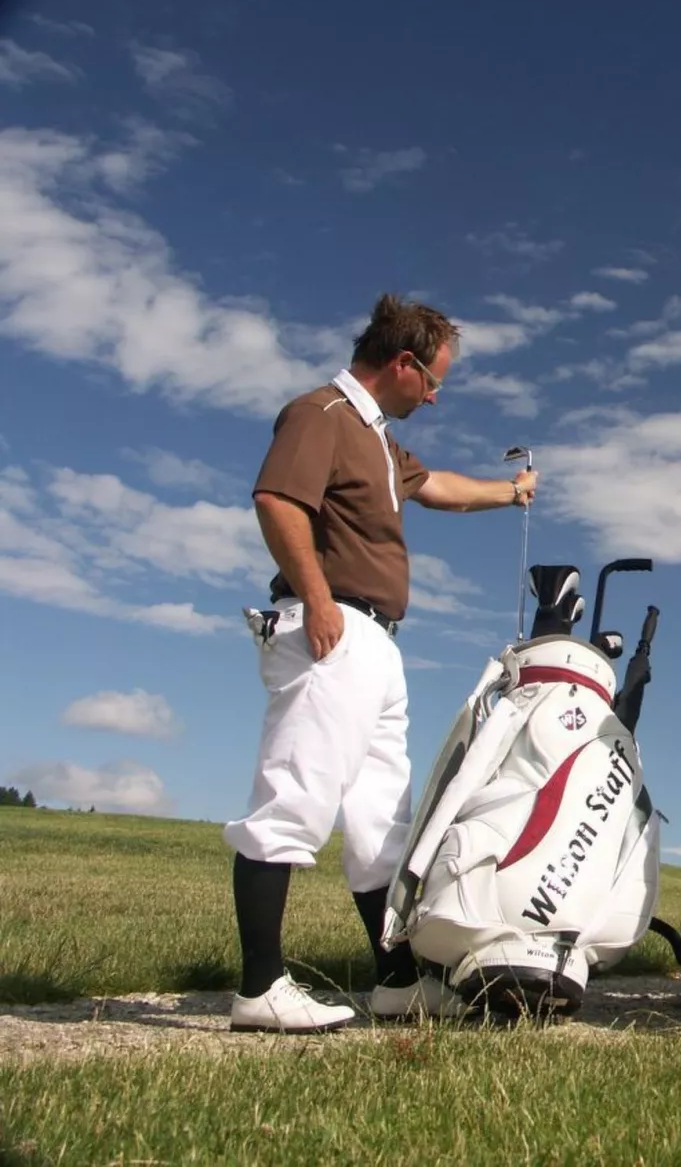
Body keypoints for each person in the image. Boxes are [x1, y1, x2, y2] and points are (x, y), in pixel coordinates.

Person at [223, 293, 538, 1033]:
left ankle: (396, 982)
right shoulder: (321, 414)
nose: (434, 398)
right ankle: (260, 986)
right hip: (330, 629)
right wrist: (318, 599)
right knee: (294, 797)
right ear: (402, 363)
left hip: (375, 644)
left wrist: (510, 493)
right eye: (432, 382)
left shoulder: (380, 442)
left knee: (381, 821)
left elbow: (438, 489)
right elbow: (276, 500)